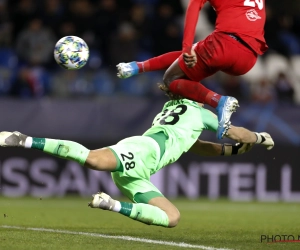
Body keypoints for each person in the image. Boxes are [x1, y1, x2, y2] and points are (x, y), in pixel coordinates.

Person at [0, 88, 274, 228]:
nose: (205, 98)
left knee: (172, 217)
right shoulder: (198, 112)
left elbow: (198, 146)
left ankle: (111, 205)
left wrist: (231, 151)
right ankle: (23, 139)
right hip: (144, 152)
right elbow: (237, 132)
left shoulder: (173, 109)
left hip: (139, 172)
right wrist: (260, 137)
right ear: (194, 97)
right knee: (94, 159)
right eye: (202, 94)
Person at [117, 0, 267, 139]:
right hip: (249, 58)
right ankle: (137, 66)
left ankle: (219, 101)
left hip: (225, 44)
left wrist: (186, 47)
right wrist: (261, 139)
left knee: (171, 79)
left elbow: (194, 6)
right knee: (193, 53)